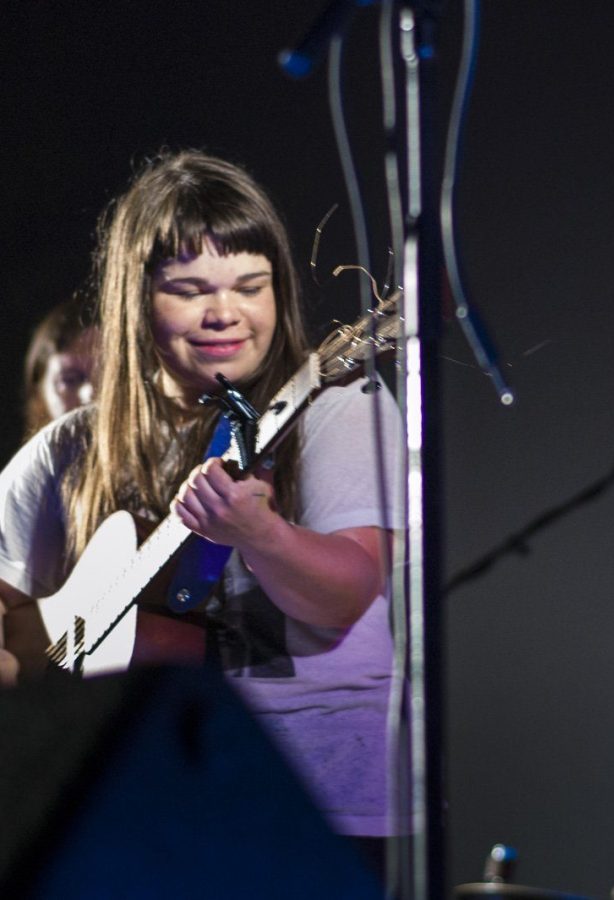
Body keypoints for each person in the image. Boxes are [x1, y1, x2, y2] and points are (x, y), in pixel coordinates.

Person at [0, 151, 406, 870]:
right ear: (135, 299)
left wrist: (262, 535)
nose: (225, 313)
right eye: (189, 290)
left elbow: (344, 597)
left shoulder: (339, 414)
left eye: (251, 286)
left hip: (314, 804)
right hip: (123, 802)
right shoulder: (66, 451)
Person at [21, 295, 99, 440]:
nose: (89, 394)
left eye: (105, 378)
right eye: (69, 380)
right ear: (39, 393)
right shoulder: (28, 462)